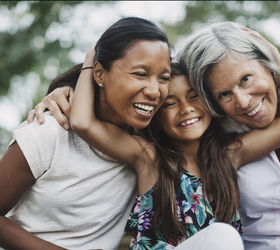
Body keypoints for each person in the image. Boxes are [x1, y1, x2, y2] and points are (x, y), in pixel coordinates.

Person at [28, 25, 280, 249]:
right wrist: (93, 58)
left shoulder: (229, 154)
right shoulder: (148, 157)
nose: (186, 110)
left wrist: (270, 52)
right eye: (170, 103)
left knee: (222, 238)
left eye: (193, 97)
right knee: (223, 238)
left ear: (210, 104)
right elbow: (81, 122)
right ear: (156, 114)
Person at [0, 17, 172, 250]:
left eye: (164, 78)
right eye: (140, 74)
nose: (154, 91)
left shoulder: (150, 143)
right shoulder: (49, 132)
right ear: (99, 73)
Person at [176, 21, 280, 250]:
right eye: (224, 94)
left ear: (269, 65)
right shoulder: (220, 139)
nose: (243, 101)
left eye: (246, 79)